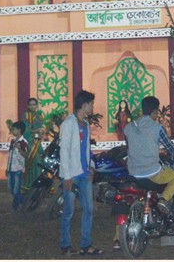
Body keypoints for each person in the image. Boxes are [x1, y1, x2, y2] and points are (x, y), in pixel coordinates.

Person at [125, 96, 174, 214]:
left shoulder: (129, 127)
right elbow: (170, 147)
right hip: (152, 172)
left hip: (133, 172)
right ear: (155, 111)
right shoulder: (157, 128)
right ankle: (164, 199)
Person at [58, 90, 101, 256]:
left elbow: (86, 149)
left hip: (83, 173)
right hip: (71, 173)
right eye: (91, 104)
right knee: (69, 210)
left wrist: (90, 166)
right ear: (84, 105)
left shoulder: (85, 124)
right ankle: (65, 245)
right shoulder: (69, 123)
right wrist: (67, 176)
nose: (92, 107)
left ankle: (86, 244)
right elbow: (65, 151)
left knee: (88, 209)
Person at [22, 98, 46, 193]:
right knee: (34, 162)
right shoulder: (26, 115)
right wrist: (37, 131)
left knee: (40, 162)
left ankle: (38, 185)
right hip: (30, 141)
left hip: (38, 142)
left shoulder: (39, 115)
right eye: (30, 105)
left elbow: (42, 127)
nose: (32, 106)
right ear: (28, 106)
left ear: (36, 105)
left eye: (34, 104)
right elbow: (25, 130)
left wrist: (42, 130)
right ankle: (29, 185)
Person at [7, 121, 28, 212]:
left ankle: (15, 207)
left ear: (19, 130)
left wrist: (19, 149)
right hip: (11, 168)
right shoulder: (12, 141)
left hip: (18, 168)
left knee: (16, 190)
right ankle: (24, 200)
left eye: (14, 129)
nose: (12, 130)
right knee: (11, 188)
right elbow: (10, 155)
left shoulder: (23, 142)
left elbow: (26, 155)